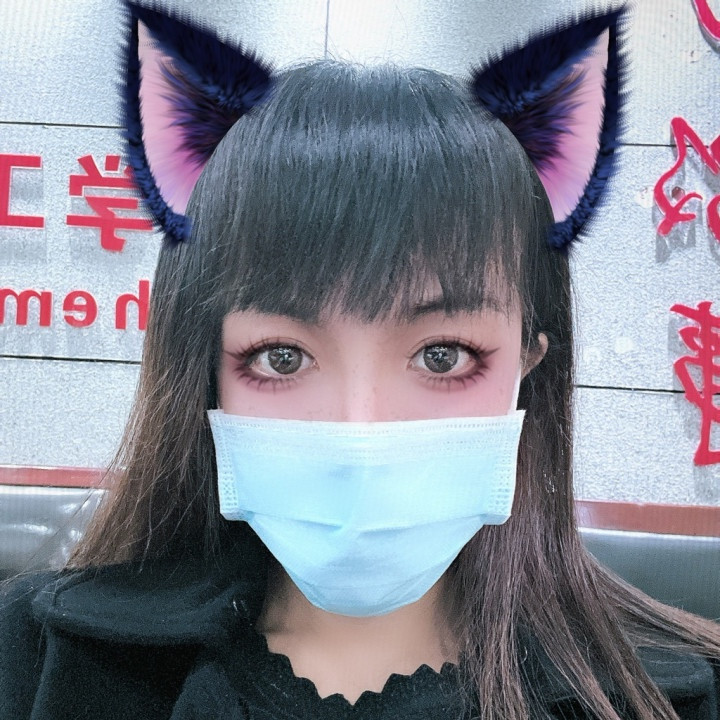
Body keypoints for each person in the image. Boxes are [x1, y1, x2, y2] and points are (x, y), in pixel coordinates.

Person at [1, 2, 719, 719]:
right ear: (205, 368)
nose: (360, 434)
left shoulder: (671, 695)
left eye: (443, 355)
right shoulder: (36, 657)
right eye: (282, 357)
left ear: (528, 363)